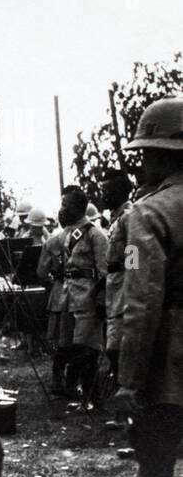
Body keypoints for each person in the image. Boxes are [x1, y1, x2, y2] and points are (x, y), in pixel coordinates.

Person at [108, 96, 183, 477]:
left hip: (169, 371)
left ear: (157, 155)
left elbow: (140, 303)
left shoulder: (147, 215)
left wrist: (130, 381)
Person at [55, 186, 109, 408]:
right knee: (71, 346)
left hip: (88, 297)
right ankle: (80, 394)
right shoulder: (69, 234)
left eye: (66, 204)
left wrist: (100, 300)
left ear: (78, 207)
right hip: (69, 296)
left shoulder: (96, 235)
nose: (62, 209)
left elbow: (104, 271)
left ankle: (92, 398)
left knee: (88, 349)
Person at [100, 171, 135, 430]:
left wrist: (131, 275)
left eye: (107, 190)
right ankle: (124, 413)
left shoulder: (129, 217)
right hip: (113, 287)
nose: (103, 195)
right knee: (114, 351)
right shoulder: (115, 219)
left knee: (118, 350)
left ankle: (130, 411)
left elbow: (134, 249)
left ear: (121, 191)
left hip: (125, 286)